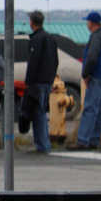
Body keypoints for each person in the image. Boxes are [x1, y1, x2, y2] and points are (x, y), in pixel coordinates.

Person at [22, 10, 58, 153]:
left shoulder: (36, 39)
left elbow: (33, 62)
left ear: (32, 22)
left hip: (37, 83)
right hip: (47, 81)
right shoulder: (50, 38)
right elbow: (55, 61)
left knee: (38, 114)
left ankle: (42, 145)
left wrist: (28, 82)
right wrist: (51, 78)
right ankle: (43, 143)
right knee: (41, 112)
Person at [74, 11, 101, 150]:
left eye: (88, 21)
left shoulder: (96, 37)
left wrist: (86, 74)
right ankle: (95, 140)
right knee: (99, 110)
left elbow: (92, 57)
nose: (87, 24)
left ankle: (83, 140)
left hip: (95, 76)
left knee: (89, 109)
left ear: (92, 23)